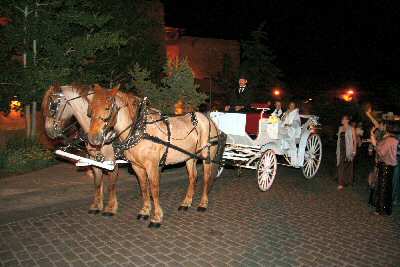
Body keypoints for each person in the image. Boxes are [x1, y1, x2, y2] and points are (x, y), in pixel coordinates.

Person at [370, 120, 399, 215]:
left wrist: (375, 145)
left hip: (385, 166)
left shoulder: (389, 140)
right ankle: (387, 209)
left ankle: (381, 210)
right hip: (391, 167)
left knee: (382, 188)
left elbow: (381, 152)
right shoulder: (395, 139)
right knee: (388, 188)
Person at [336, 115, 357, 190]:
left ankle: (346, 181)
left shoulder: (352, 129)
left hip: (348, 149)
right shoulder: (340, 128)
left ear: (347, 120)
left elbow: (355, 140)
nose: (342, 120)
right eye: (342, 119)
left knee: (348, 165)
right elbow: (339, 139)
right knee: (341, 164)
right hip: (341, 149)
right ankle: (341, 182)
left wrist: (354, 150)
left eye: (343, 119)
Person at [280, 101, 301, 166]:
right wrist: (286, 114)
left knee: (291, 143)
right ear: (289, 106)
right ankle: (284, 148)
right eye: (290, 105)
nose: (291, 106)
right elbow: (282, 120)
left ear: (294, 106)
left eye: (293, 105)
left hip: (292, 129)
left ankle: (294, 162)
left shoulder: (296, 113)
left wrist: (290, 125)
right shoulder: (286, 112)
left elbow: (298, 122)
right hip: (284, 127)